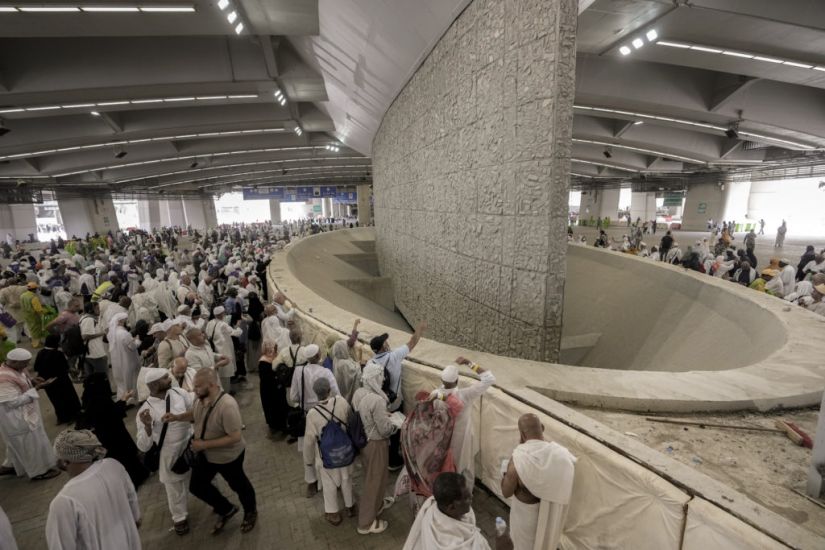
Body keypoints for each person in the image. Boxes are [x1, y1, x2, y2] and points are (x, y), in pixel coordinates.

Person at [163, 368, 257, 534]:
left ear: (212, 385)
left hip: (228, 457)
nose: (194, 389)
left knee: (239, 485)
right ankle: (226, 509)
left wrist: (204, 445)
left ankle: (250, 512)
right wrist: (177, 417)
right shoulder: (200, 399)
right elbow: (196, 414)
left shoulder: (227, 405)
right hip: (207, 456)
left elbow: (235, 436)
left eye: (198, 386)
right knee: (197, 486)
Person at [46, 429, 141, 550]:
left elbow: (59, 545)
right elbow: (134, 510)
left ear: (65, 461)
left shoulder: (65, 501)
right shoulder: (113, 466)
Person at [501, 414, 576, 550]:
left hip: (526, 522)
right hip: (551, 521)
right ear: (542, 428)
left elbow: (506, 492)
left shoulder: (517, 460)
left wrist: (505, 471)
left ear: (522, 434)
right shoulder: (563, 456)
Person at [136, 369, 194, 535]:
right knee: (175, 489)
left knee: (202, 478)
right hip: (168, 453)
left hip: (189, 446)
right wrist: (147, 426)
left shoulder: (179, 392)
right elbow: (143, 446)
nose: (170, 379)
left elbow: (193, 413)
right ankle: (179, 518)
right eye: (165, 378)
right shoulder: (144, 411)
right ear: (154, 385)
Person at [368, 321, 427, 470]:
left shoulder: (371, 362)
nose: (387, 343)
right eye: (385, 342)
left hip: (379, 403)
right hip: (394, 402)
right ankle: (393, 460)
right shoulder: (393, 357)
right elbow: (412, 342)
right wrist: (419, 329)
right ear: (383, 347)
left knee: (383, 428)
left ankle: (385, 456)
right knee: (396, 429)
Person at [429, 358, 495, 486]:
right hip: (463, 440)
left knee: (446, 468)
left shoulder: (434, 394)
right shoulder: (465, 395)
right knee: (466, 468)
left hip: (442, 440)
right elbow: (489, 379)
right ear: (457, 380)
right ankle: (465, 497)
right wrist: (469, 363)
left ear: (442, 380)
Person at [77, 373, 150, 488]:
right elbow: (111, 414)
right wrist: (123, 400)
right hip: (115, 437)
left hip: (105, 438)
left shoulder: (89, 397)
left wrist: (122, 400)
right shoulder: (100, 399)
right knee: (124, 458)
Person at [352, 363, 401, 535]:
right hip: (376, 444)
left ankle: (378, 504)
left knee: (373, 476)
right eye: (380, 377)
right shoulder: (378, 400)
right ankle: (365, 523)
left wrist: (383, 417)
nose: (383, 380)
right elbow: (384, 430)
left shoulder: (359, 392)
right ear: (374, 378)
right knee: (374, 482)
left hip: (365, 443)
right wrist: (395, 425)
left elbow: (367, 416)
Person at [404, 472, 510, 550]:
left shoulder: (433, 506)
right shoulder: (454, 546)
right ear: (451, 507)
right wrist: (501, 541)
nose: (472, 496)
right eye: (466, 498)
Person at [0, 347, 60, 480]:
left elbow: (22, 380)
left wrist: (32, 381)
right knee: (28, 445)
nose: (26, 366)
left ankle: (11, 466)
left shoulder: (16, 368)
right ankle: (38, 472)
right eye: (24, 363)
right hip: (15, 417)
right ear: (14, 362)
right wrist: (36, 389)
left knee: (17, 444)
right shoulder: (3, 378)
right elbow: (12, 403)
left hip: (26, 412)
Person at [303, 377, 356, 526]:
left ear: (316, 393)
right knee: (346, 479)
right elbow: (351, 420)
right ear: (329, 390)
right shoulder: (341, 402)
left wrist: (308, 461)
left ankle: (333, 514)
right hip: (345, 451)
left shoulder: (312, 414)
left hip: (326, 456)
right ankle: (350, 507)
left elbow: (309, 441)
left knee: (329, 485)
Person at [289, 344, 340, 497]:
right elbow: (337, 394)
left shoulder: (299, 371)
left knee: (308, 450)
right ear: (318, 356)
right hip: (324, 416)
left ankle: (311, 482)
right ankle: (332, 481)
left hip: (307, 415)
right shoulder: (326, 372)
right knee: (327, 448)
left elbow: (293, 397)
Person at [34, 333, 81, 425]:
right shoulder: (58, 353)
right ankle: (73, 416)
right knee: (68, 398)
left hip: (48, 382)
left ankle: (61, 417)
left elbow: (36, 367)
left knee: (56, 400)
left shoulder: (40, 353)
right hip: (62, 381)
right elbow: (65, 367)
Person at [205, 306, 241, 390]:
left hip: (215, 349)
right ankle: (226, 391)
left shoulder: (210, 322)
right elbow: (236, 333)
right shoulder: (223, 324)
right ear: (222, 314)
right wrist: (238, 326)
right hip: (224, 350)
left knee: (219, 372)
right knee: (225, 372)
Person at [108, 312, 139, 404]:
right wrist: (137, 340)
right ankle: (130, 400)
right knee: (130, 379)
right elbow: (133, 346)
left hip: (117, 361)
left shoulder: (112, 333)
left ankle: (122, 398)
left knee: (121, 381)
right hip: (128, 360)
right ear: (121, 321)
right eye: (125, 320)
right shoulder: (124, 333)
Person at [79, 301, 108, 377]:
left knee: (93, 379)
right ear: (91, 310)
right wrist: (102, 333)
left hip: (91, 353)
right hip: (95, 354)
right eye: (97, 308)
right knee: (102, 378)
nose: (99, 310)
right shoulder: (88, 320)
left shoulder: (89, 318)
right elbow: (85, 336)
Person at [20, 281, 46, 348]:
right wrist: (45, 311)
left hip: (26, 314)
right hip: (34, 316)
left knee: (31, 329)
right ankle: (36, 344)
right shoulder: (34, 297)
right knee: (36, 330)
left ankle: (35, 342)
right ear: (34, 289)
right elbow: (38, 309)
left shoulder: (22, 295)